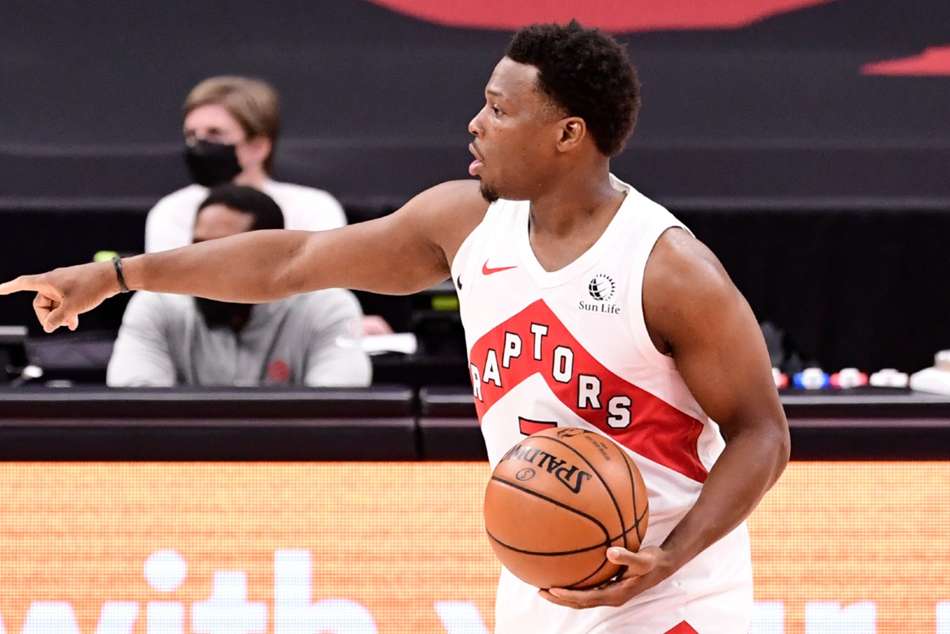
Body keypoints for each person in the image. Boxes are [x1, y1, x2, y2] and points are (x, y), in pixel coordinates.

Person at [2, 21, 789, 633]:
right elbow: (293, 261)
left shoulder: (668, 269)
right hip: (540, 580)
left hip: (671, 596)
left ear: (567, 135)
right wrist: (115, 275)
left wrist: (669, 557)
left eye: (500, 109)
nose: (475, 123)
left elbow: (762, 433)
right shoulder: (464, 220)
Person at [108, 184, 371, 388]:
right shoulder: (157, 305)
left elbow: (337, 407)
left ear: (272, 260)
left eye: (221, 252)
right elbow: (133, 406)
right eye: (197, 248)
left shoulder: (326, 308)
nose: (201, 265)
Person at [146, 75, 347, 253]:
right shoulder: (172, 211)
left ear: (258, 146)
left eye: (215, 133)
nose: (198, 145)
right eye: (191, 135)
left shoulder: (313, 209)